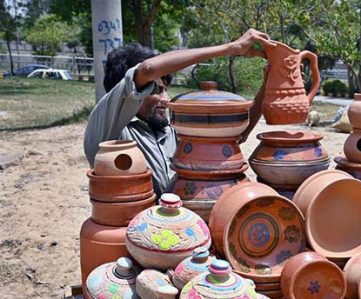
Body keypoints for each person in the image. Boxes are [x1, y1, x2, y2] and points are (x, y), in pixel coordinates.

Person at [83, 29, 271, 197]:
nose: (165, 99)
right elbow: (148, 69)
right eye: (155, 91)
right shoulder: (108, 129)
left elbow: (233, 136)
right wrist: (231, 48)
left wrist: (268, 83)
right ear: (129, 93)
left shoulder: (169, 130)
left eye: (165, 89)